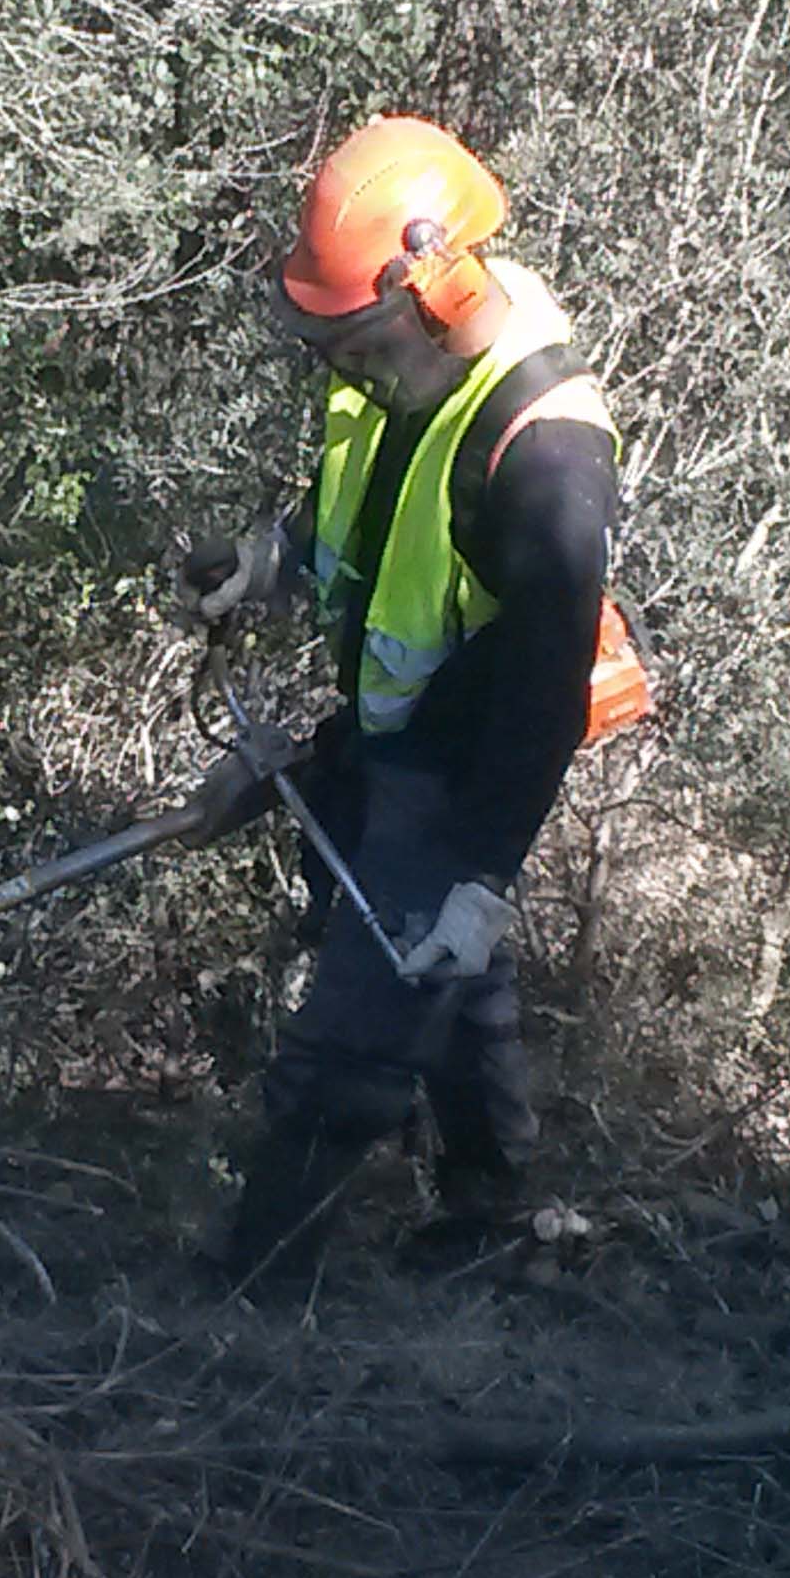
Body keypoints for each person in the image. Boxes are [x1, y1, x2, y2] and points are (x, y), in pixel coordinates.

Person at [178, 113, 621, 1286]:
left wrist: (481, 877)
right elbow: (368, 511)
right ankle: (489, 1206)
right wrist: (270, 560)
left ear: (441, 290)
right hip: (389, 744)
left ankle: (251, 1297)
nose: (346, 367)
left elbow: (543, 696)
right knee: (450, 986)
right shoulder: (404, 369)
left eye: (359, 341)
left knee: (358, 1034)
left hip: (470, 767)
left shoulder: (547, 461)